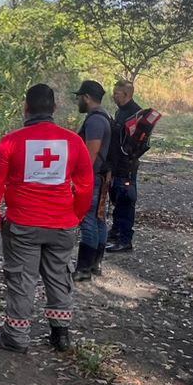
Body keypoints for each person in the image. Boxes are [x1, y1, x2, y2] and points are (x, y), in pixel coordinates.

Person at [0, 83, 93, 353]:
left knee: (21, 279)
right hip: (63, 224)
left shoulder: (11, 141)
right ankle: (61, 335)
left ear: (26, 107)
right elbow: (86, 185)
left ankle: (16, 337)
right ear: (54, 108)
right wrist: (75, 215)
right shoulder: (74, 142)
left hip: (24, 224)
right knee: (59, 276)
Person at [73, 79, 113, 278]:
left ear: (87, 98)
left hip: (93, 178)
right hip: (101, 177)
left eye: (79, 97)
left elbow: (91, 153)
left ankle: (83, 269)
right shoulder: (104, 116)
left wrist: (80, 180)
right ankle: (95, 264)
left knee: (88, 219)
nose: (78, 101)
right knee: (98, 219)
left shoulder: (95, 120)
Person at [104, 79, 143, 253]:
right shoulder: (121, 112)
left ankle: (125, 239)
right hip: (116, 165)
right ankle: (115, 232)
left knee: (126, 201)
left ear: (126, 95)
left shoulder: (136, 114)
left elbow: (135, 145)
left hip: (126, 166)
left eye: (116, 93)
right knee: (117, 199)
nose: (113, 96)